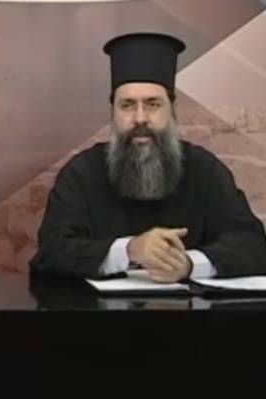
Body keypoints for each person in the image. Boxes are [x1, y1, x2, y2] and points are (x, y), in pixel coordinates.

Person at [30, 33, 266, 281]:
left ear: (172, 110)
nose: (140, 118)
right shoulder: (81, 173)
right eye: (128, 105)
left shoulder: (204, 170)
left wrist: (188, 264)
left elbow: (253, 245)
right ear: (113, 112)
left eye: (152, 104)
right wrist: (129, 250)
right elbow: (51, 252)